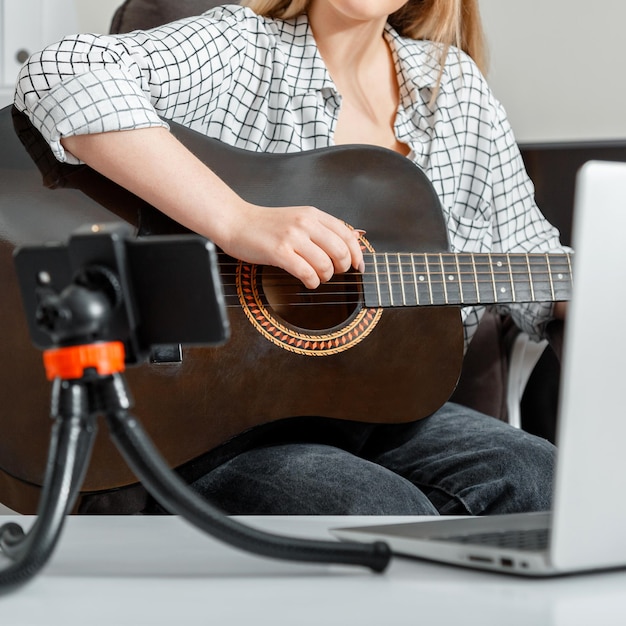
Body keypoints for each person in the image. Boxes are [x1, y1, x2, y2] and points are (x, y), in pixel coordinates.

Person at [14, 0, 567, 515]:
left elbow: (533, 262)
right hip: (210, 419)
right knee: (374, 509)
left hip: (384, 407)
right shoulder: (243, 47)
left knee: (540, 475)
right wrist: (238, 220)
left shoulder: (456, 91)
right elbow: (59, 71)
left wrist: (587, 288)